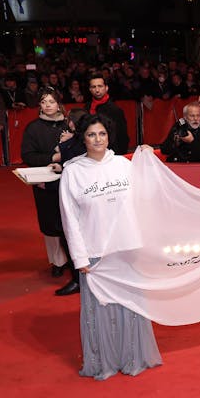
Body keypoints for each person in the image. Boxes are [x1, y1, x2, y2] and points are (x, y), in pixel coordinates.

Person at [59, 114, 162, 380]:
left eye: (102, 134)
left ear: (109, 136)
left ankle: (133, 357)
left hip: (127, 249)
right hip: (95, 253)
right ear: (83, 138)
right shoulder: (73, 172)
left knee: (130, 307)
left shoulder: (123, 165)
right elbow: (69, 219)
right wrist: (79, 257)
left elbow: (147, 197)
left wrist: (147, 159)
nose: (97, 140)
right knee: (100, 310)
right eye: (92, 135)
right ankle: (104, 361)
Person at [20, 87, 76, 295]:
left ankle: (74, 258)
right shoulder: (33, 128)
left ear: (59, 103)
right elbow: (27, 155)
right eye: (44, 102)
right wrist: (52, 159)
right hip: (44, 182)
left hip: (69, 180)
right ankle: (57, 262)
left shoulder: (69, 124)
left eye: (51, 101)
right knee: (50, 223)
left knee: (70, 220)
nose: (48, 105)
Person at [85, 74, 129, 154]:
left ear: (106, 88)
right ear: (90, 89)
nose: (97, 90)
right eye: (94, 87)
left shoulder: (115, 110)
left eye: (100, 86)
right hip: (91, 151)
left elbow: (122, 136)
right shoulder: (87, 107)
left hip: (111, 153)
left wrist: (119, 156)